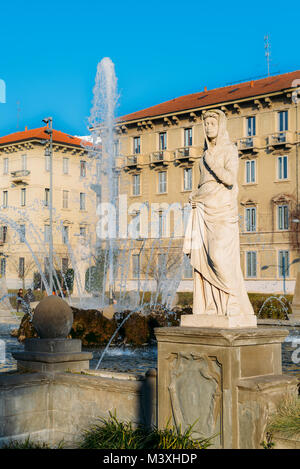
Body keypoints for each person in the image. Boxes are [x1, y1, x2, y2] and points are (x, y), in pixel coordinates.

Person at [183, 109, 254, 318]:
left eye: (212, 124)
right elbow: (203, 184)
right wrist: (194, 195)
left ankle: (232, 298)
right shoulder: (201, 158)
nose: (208, 127)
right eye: (205, 124)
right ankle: (213, 307)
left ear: (220, 126)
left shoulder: (228, 150)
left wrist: (212, 161)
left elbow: (230, 179)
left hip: (222, 210)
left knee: (218, 255)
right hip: (203, 209)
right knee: (204, 259)